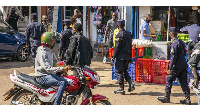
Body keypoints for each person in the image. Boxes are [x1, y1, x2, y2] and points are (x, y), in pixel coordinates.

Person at [157, 27, 191, 105]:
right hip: (183, 65)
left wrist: (170, 68)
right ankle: (187, 99)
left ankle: (167, 97)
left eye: (170, 33)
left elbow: (173, 57)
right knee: (183, 82)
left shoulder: (174, 43)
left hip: (177, 65)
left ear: (171, 34)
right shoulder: (181, 42)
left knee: (169, 79)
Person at [35, 32, 70, 105]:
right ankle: (56, 105)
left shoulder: (49, 52)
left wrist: (66, 66)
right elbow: (47, 68)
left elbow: (56, 63)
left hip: (49, 75)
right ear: (49, 41)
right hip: (42, 76)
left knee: (67, 79)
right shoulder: (42, 52)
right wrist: (60, 69)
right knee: (63, 82)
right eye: (53, 40)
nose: (54, 42)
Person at [112, 19, 135, 95]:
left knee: (119, 71)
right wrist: (130, 57)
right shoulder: (129, 34)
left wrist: (113, 56)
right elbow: (130, 46)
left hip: (120, 56)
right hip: (127, 56)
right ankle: (130, 84)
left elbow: (117, 47)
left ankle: (121, 89)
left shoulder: (119, 35)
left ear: (118, 25)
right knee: (125, 71)